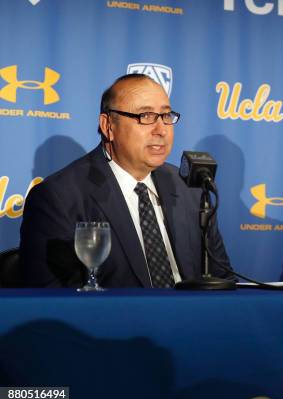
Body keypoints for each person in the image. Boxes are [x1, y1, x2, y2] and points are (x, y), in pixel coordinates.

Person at [20, 74, 234, 288]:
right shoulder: (58, 197)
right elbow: (53, 300)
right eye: (146, 115)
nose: (161, 130)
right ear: (108, 126)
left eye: (166, 115)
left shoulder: (191, 189)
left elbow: (223, 280)